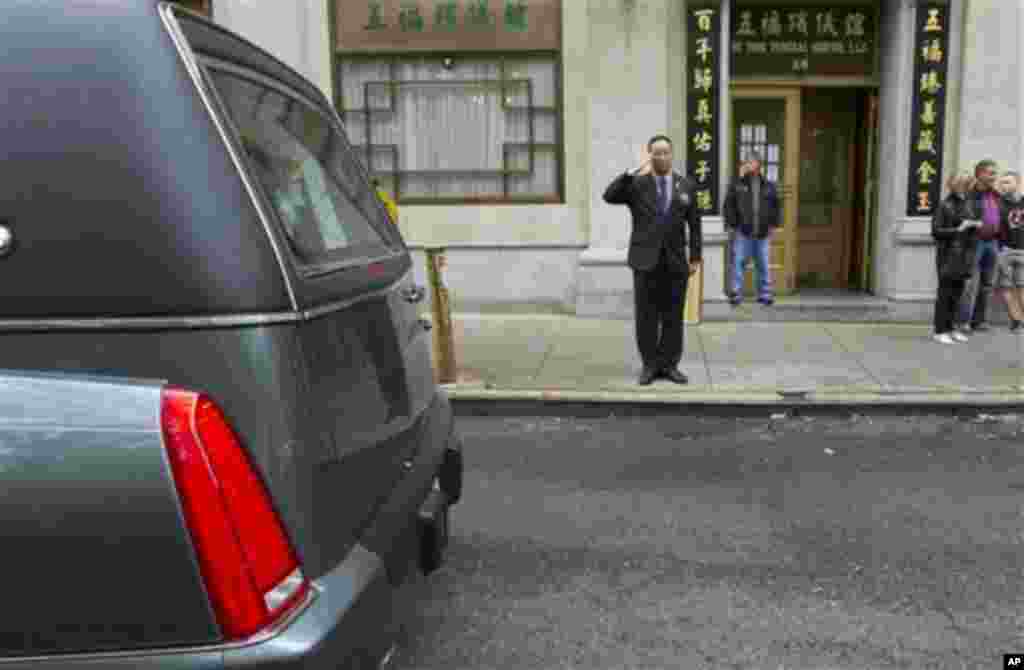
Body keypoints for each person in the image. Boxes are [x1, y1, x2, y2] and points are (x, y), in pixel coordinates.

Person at [603, 135, 703, 386]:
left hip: (675, 262)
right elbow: (609, 195)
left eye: (666, 152)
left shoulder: (686, 185)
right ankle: (649, 365)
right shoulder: (637, 184)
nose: (662, 157)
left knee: (673, 317)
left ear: (672, 154)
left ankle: (669, 365)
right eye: (656, 153)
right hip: (645, 261)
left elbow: (695, 225)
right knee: (646, 317)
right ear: (649, 155)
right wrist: (632, 171)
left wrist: (695, 257)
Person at [723, 152, 782, 306]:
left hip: (762, 233)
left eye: (751, 162)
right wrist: (732, 225)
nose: (748, 164)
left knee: (763, 263)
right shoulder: (737, 185)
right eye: (746, 162)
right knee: (738, 262)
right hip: (743, 232)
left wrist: (774, 225)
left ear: (758, 164)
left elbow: (776, 207)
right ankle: (735, 293)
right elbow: (729, 206)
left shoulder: (769, 186)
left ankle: (765, 294)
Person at [932, 173, 981, 344]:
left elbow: (974, 224)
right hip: (948, 255)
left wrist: (976, 225)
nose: (965, 187)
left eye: (967, 184)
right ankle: (940, 330)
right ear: (954, 186)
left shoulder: (968, 203)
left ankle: (952, 328)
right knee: (945, 294)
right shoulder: (944, 205)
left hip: (965, 255)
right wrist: (959, 229)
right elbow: (936, 232)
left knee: (957, 294)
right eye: (962, 184)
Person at [957, 159, 1004, 334]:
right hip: (974, 243)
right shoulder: (968, 194)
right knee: (969, 283)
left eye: (995, 173)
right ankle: (963, 322)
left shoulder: (996, 195)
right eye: (991, 173)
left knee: (987, 284)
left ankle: (979, 321)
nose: (994, 176)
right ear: (980, 174)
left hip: (992, 243)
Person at [995, 172, 1024, 331]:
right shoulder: (998, 203)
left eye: (1007, 182)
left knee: (1021, 286)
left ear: (1017, 183)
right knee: (1005, 287)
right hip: (1004, 250)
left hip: (1022, 250)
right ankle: (1016, 320)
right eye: (1002, 183)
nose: (1004, 186)